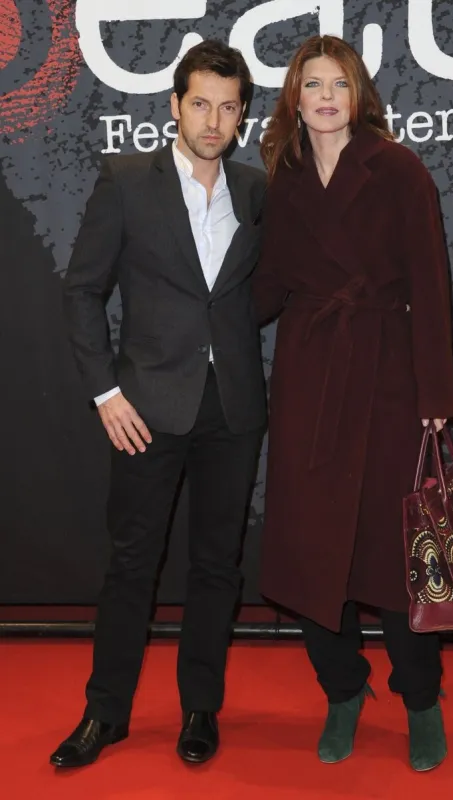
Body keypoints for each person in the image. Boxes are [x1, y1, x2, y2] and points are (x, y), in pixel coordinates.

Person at [51, 40, 267, 769]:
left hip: (232, 409)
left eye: (228, 106)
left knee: (217, 566)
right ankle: (105, 712)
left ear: (242, 115)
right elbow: (82, 291)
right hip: (145, 406)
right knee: (131, 565)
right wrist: (106, 392)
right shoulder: (126, 182)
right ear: (174, 105)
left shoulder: (254, 190)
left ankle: (200, 709)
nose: (213, 119)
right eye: (200, 103)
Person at [253, 35, 453, 772]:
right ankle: (343, 692)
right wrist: (201, 316)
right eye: (313, 85)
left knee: (396, 558)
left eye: (339, 84)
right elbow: (269, 283)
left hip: (391, 380)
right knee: (312, 554)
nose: (327, 97)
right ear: (295, 99)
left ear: (358, 93)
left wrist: (436, 393)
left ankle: (421, 698)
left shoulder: (399, 169)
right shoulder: (283, 178)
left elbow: (432, 284)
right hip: (311, 376)